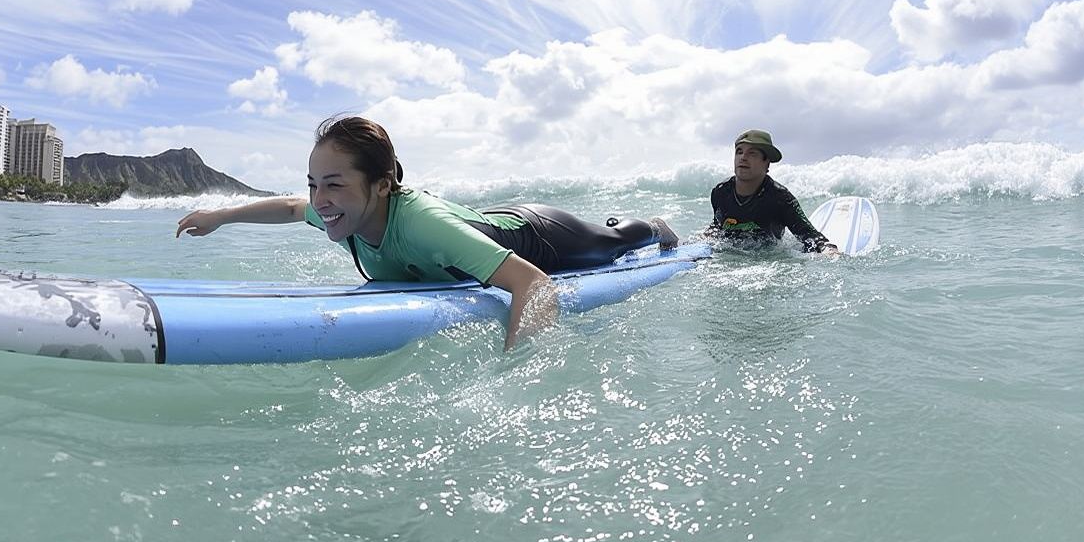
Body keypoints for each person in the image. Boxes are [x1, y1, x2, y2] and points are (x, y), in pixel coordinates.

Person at [176, 116, 679, 350]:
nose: (318, 200)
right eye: (314, 184)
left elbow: (533, 284)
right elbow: (289, 209)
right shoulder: (339, 213)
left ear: (381, 184)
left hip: (540, 234)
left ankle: (652, 225)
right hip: (478, 223)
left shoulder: (418, 221)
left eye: (333, 184)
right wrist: (219, 216)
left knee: (611, 246)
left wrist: (517, 366)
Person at [706, 129, 838, 254]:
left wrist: (827, 249)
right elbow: (718, 228)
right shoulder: (720, 193)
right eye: (739, 152)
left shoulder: (781, 198)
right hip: (729, 257)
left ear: (767, 164)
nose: (743, 157)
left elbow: (811, 237)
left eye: (752, 153)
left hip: (768, 260)